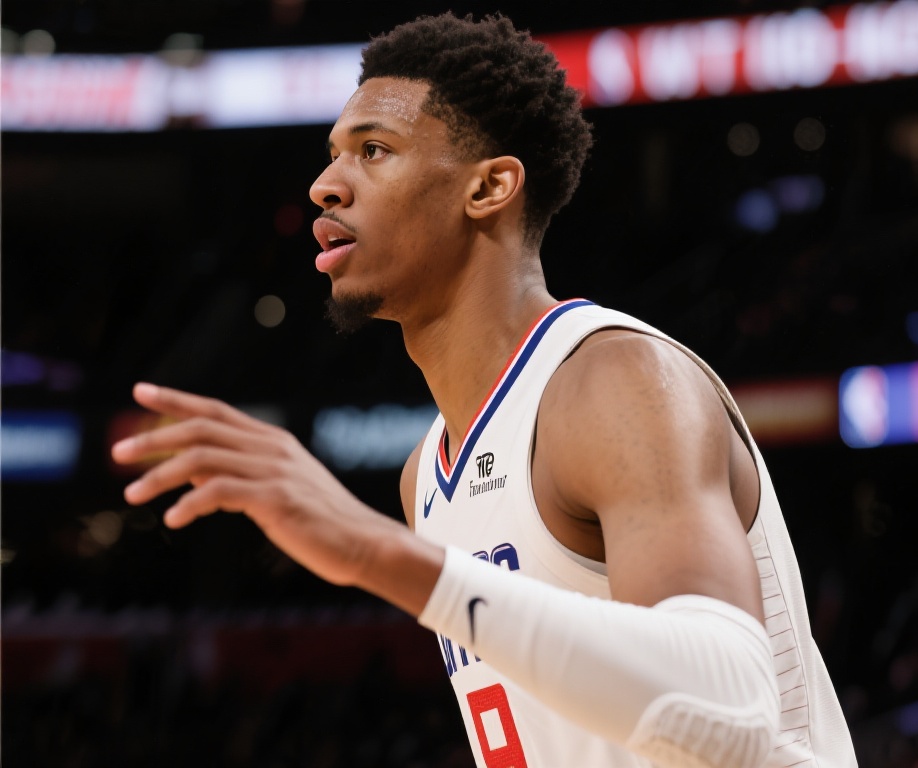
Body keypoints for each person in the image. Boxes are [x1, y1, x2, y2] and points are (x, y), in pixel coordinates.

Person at [112, 12, 858, 768]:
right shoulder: (425, 478)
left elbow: (731, 711)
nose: (324, 186)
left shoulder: (614, 381)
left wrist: (372, 551)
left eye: (373, 150)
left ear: (490, 186)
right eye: (332, 155)